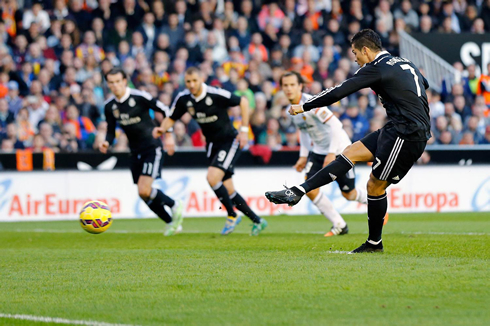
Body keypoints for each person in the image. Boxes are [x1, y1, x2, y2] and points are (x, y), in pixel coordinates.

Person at [266, 29, 430, 253]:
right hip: (396, 126)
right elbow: (424, 84)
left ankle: (374, 244)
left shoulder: (376, 67)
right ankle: (298, 190)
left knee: (374, 185)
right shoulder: (403, 62)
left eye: (355, 53)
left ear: (365, 50)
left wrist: (305, 105)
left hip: (407, 133)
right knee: (351, 152)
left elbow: (339, 91)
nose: (354, 58)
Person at [154, 67, 267, 236]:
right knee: (228, 189)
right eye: (188, 82)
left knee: (212, 177)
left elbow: (243, 101)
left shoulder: (215, 94)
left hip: (229, 141)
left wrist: (244, 130)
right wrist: (162, 131)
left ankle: (232, 215)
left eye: (194, 81)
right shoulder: (184, 99)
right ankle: (258, 221)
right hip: (212, 145)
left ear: (201, 79)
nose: (191, 85)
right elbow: (171, 118)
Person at [281, 71, 371, 237]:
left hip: (340, 150)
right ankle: (339, 225)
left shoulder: (311, 104)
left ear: (300, 86)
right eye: (285, 85)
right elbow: (305, 132)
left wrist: (331, 154)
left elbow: (336, 126)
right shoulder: (292, 110)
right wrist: (303, 155)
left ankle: (374, 202)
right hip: (319, 152)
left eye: (292, 85)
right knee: (309, 188)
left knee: (349, 194)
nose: (288, 89)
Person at [100, 68, 184, 236]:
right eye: (111, 82)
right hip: (134, 151)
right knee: (143, 194)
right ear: (108, 84)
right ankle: (171, 223)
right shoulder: (110, 106)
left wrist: (168, 135)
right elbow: (111, 129)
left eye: (118, 81)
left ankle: (174, 204)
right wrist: (106, 142)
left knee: (145, 190)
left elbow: (166, 110)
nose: (115, 85)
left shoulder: (140, 97)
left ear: (125, 81)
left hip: (152, 147)